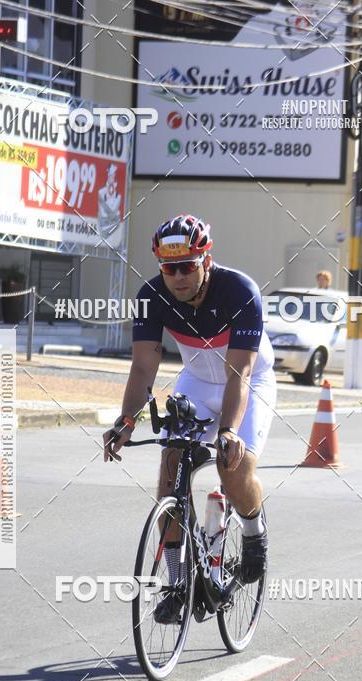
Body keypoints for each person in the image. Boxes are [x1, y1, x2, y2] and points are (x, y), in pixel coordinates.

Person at [103, 214, 277, 624]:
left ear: (206, 261)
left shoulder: (240, 291)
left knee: (234, 468)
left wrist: (229, 431)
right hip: (196, 382)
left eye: (187, 266)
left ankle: (254, 534)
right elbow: (143, 368)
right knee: (170, 474)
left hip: (248, 381)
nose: (178, 277)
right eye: (169, 268)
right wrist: (126, 420)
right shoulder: (151, 297)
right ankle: (179, 585)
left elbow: (239, 373)